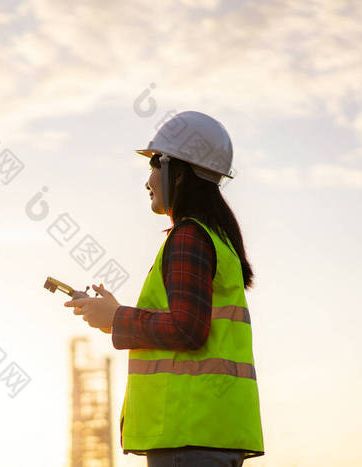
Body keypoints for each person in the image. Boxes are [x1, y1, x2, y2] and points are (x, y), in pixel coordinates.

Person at [63, 111, 265, 466]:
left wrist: (118, 318)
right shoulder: (217, 240)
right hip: (212, 432)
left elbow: (188, 330)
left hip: (187, 436)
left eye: (154, 165)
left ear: (179, 171)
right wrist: (112, 318)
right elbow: (192, 322)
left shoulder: (189, 237)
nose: (148, 181)